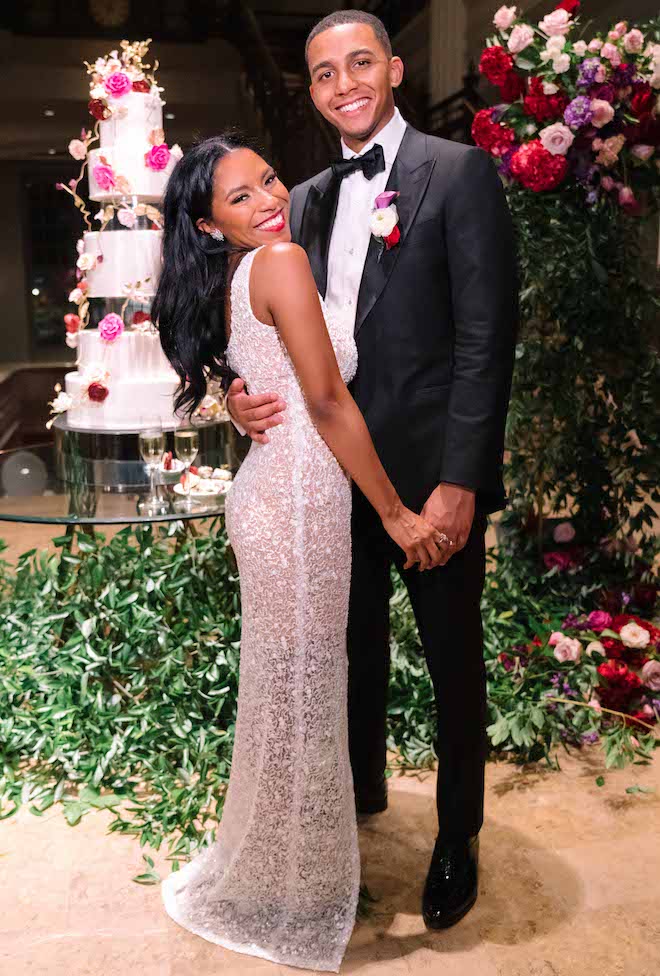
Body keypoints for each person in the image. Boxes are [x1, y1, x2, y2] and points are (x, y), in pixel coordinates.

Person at [226, 10, 519, 932]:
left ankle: (458, 837)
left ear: (393, 69)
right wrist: (237, 394)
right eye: (322, 73)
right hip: (325, 475)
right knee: (346, 654)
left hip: (431, 480)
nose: (343, 83)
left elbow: (486, 338)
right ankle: (354, 816)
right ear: (311, 92)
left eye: (360, 63)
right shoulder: (301, 198)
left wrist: (460, 481)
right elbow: (266, 329)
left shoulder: (458, 171)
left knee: (451, 661)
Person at [153, 134, 444, 971]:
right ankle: (293, 891)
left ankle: (281, 876)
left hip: (278, 493)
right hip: (299, 499)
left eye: (268, 180)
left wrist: (239, 401)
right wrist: (393, 512)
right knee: (305, 691)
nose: (269, 198)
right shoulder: (278, 260)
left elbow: (262, 377)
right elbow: (324, 398)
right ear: (210, 225)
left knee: (289, 689)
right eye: (239, 196)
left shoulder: (244, 270)